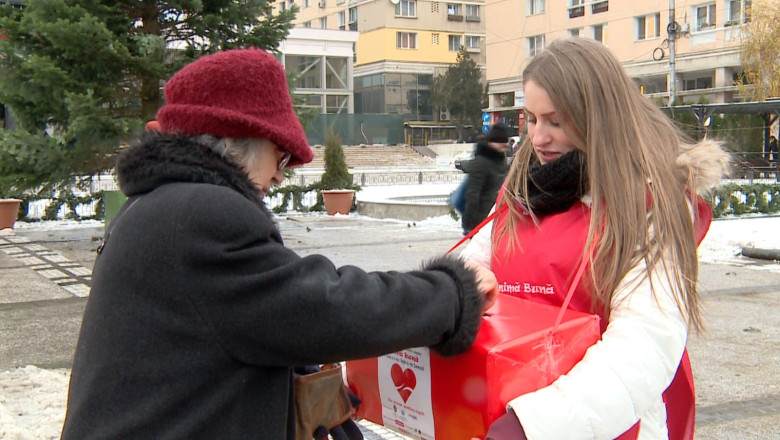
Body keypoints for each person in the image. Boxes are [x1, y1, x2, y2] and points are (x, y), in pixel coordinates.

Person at [60, 48, 498, 440]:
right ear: (238, 141)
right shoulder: (204, 213)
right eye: (280, 155)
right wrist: (453, 294)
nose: (281, 174)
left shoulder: (153, 205)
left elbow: (254, 319)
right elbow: (327, 308)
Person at [461, 38, 729, 439]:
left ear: (597, 117)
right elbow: (470, 265)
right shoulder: (520, 191)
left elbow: (643, 347)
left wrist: (534, 425)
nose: (538, 138)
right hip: (507, 414)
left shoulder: (648, 204)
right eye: (531, 119)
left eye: (555, 121)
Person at [461, 123, 510, 235]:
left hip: (495, 218)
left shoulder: (499, 161)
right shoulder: (481, 162)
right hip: (482, 220)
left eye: (505, 142)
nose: (505, 145)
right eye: (501, 142)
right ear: (492, 143)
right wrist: (472, 224)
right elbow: (473, 194)